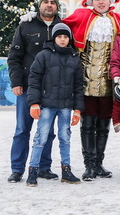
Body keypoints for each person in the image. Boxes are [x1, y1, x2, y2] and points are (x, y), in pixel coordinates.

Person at [63, 0, 120, 181]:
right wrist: (36, 20)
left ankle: (99, 163)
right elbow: (59, 26)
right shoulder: (81, 16)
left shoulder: (118, 20)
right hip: (86, 81)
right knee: (88, 124)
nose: (101, 2)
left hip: (109, 83)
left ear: (111, 0)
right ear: (91, 1)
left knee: (104, 124)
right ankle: (89, 165)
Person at [7, 0, 62, 183]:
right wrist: (16, 82)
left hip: (52, 88)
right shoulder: (26, 26)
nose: (49, 5)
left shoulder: (62, 27)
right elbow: (14, 57)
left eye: (52, 3)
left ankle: (43, 167)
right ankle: (17, 169)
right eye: (45, 2)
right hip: (28, 87)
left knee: (48, 130)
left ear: (57, 7)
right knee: (23, 129)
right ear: (39, 5)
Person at [25, 23, 84, 187]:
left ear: (69, 39)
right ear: (54, 38)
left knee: (65, 138)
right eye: (60, 36)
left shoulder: (74, 57)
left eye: (65, 37)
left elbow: (79, 85)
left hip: (65, 105)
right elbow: (34, 79)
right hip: (47, 104)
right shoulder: (43, 55)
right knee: (41, 137)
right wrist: (34, 103)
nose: (63, 40)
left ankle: (66, 170)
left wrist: (78, 109)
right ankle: (33, 171)